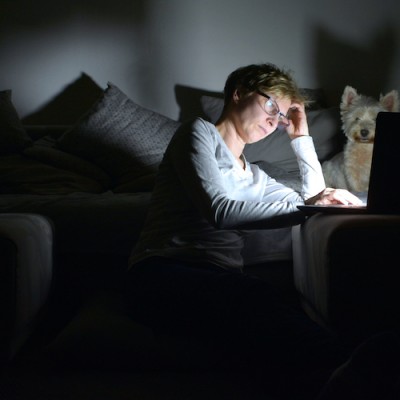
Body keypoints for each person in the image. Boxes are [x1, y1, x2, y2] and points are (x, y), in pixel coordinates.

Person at [124, 63, 399, 399]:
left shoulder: (254, 176)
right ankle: (350, 367)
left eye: (282, 116)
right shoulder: (198, 133)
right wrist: (309, 206)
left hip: (219, 279)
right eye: (271, 105)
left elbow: (310, 199)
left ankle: (338, 376)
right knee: (253, 296)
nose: (275, 120)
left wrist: (300, 137)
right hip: (161, 273)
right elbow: (221, 212)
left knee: (265, 316)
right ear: (238, 92)